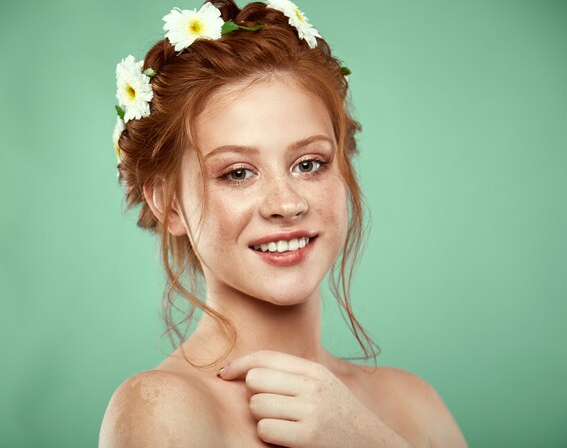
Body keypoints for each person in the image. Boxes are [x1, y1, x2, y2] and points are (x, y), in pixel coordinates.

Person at [100, 0, 468, 446]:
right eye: (237, 173)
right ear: (170, 204)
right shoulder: (160, 409)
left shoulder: (411, 401)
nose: (286, 203)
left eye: (309, 164)